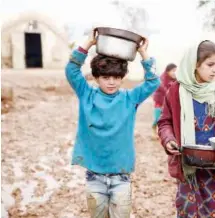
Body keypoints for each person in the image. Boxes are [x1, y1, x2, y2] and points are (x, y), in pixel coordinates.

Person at [65, 33, 160, 218]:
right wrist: (89, 43)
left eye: (116, 77)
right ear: (96, 77)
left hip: (121, 176)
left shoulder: (129, 98)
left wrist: (142, 52)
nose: (111, 82)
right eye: (106, 77)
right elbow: (71, 70)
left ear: (122, 77)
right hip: (94, 175)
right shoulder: (87, 94)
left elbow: (153, 81)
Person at [157, 40, 215, 218]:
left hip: (214, 163)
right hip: (186, 162)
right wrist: (169, 140)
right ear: (195, 65)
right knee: (186, 209)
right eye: (210, 64)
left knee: (212, 210)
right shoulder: (176, 91)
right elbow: (165, 122)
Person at [152, 63, 177, 139]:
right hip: (160, 102)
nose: (174, 73)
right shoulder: (162, 79)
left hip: (169, 103)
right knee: (157, 118)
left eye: (175, 71)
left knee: (167, 119)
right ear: (168, 71)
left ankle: (165, 134)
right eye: (173, 71)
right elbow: (163, 89)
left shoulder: (175, 80)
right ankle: (153, 130)